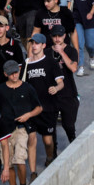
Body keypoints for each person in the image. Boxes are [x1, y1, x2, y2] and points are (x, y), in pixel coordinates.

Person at [0, 61, 42, 185]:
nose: (14, 75)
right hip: (5, 129)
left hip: (21, 128)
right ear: (5, 74)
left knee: (20, 160)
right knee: (7, 163)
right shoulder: (0, 89)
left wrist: (28, 115)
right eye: (11, 73)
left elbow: (39, 108)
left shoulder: (27, 88)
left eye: (16, 72)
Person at [23, 34, 64, 169]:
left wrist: (56, 88)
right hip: (32, 108)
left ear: (43, 45)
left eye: (37, 43)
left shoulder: (51, 62)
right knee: (31, 139)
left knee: (47, 141)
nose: (34, 46)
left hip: (48, 106)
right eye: (32, 43)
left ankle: (50, 156)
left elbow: (61, 83)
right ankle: (33, 172)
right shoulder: (26, 63)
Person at [48, 26, 81, 144]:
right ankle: (53, 154)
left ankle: (73, 142)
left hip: (68, 93)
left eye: (60, 36)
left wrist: (61, 52)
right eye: (54, 36)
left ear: (65, 36)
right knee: (51, 128)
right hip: (51, 95)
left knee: (69, 125)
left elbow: (73, 68)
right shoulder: (46, 52)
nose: (57, 39)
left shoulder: (71, 51)